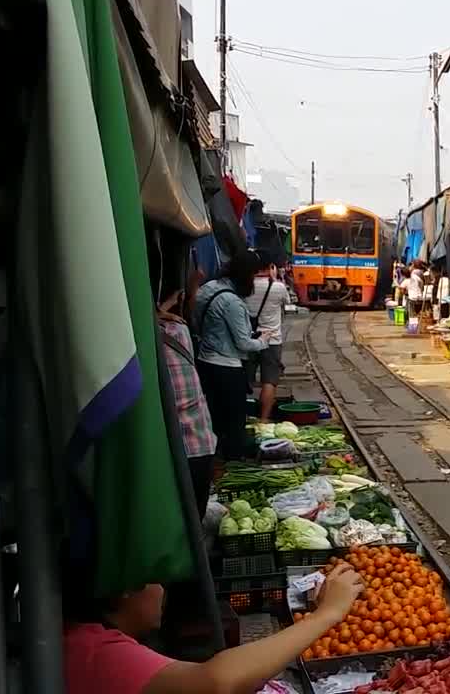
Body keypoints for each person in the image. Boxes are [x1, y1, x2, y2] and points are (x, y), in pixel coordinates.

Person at [64, 563, 364, 694]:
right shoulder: (94, 653)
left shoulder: (84, 638)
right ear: (127, 590)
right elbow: (218, 682)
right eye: (156, 579)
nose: (162, 590)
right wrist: (328, 614)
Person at [194, 250, 272, 461]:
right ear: (245, 275)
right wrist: (263, 340)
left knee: (215, 416)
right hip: (227, 367)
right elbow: (244, 343)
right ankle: (234, 461)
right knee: (235, 419)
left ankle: (216, 459)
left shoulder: (207, 288)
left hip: (204, 362)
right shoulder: (233, 303)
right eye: (254, 276)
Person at [156, 288, 217, 517]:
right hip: (199, 441)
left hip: (179, 446)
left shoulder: (146, 341)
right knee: (194, 513)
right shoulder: (178, 331)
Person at [245, 254, 291, 422]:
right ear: (271, 266)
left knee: (245, 381)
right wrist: (275, 278)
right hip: (272, 341)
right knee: (269, 381)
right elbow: (287, 302)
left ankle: (242, 416)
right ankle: (263, 420)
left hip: (248, 340)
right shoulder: (278, 287)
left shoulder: (245, 286)